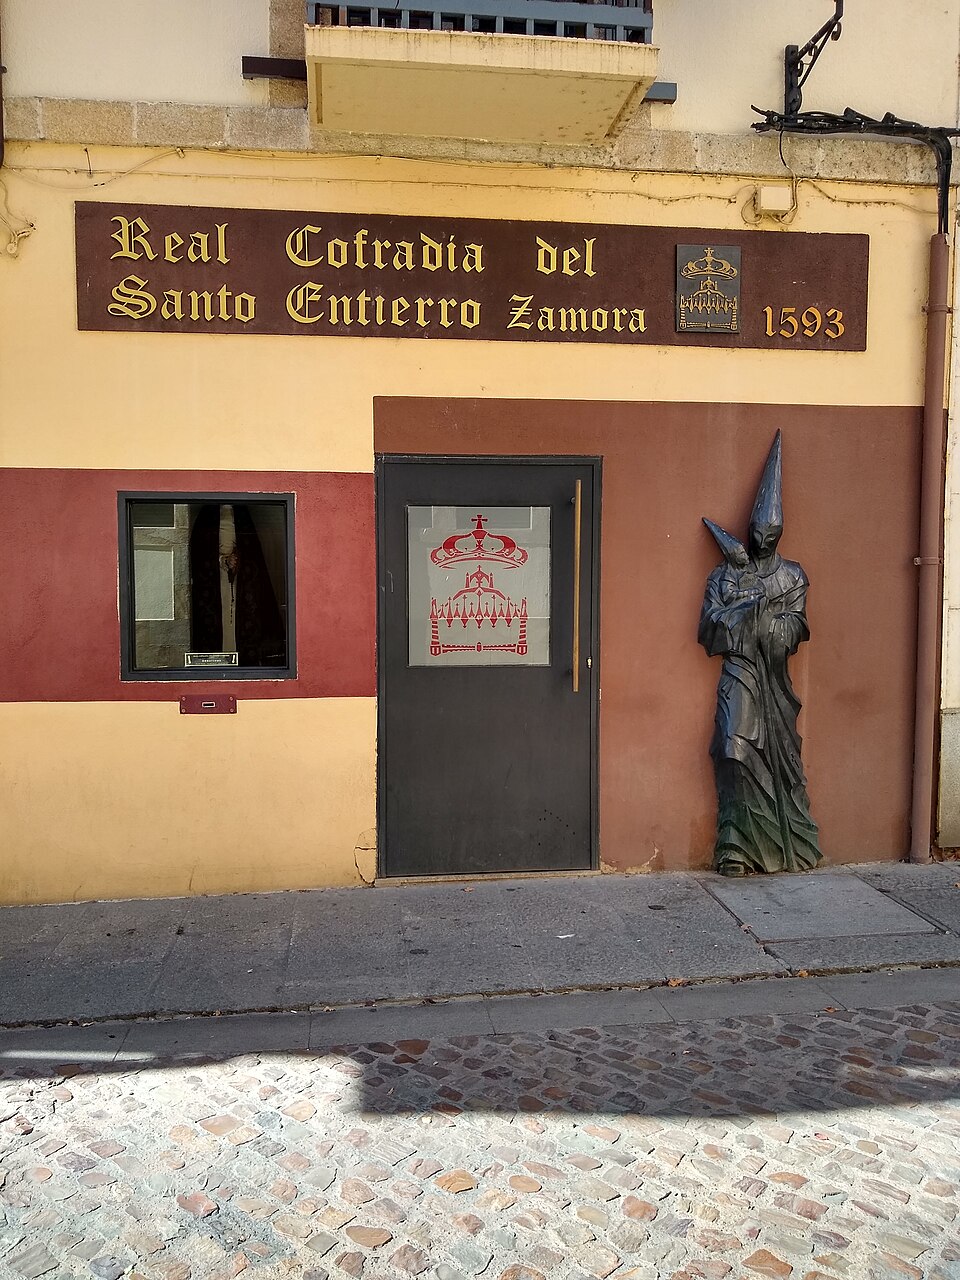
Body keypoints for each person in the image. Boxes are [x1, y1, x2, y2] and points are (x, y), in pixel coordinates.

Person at [698, 432, 822, 876]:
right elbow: (710, 625)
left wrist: (767, 620)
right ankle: (735, 844)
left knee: (779, 762)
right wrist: (747, 607)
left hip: (774, 681)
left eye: (772, 532)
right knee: (733, 746)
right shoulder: (725, 575)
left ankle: (784, 842)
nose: (764, 538)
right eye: (758, 531)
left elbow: (796, 628)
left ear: (780, 530)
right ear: (749, 530)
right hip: (739, 673)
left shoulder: (792, 576)